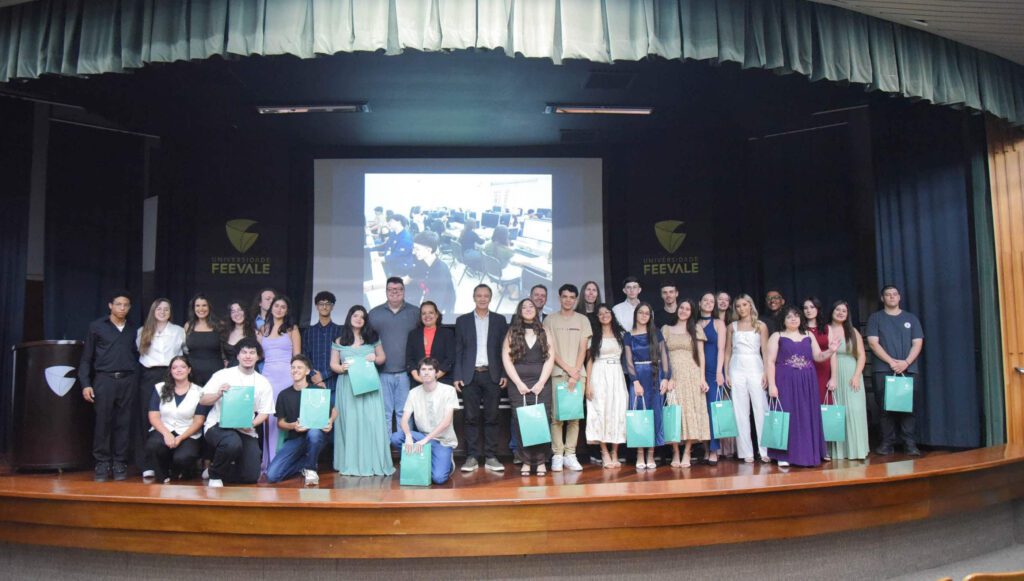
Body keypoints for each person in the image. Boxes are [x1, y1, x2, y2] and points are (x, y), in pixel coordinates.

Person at [765, 306, 839, 467]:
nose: (793, 319)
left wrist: (831, 351)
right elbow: (770, 362)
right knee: (787, 415)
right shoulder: (777, 336)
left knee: (807, 415)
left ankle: (808, 453)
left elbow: (819, 357)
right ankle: (783, 455)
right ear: (783, 320)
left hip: (807, 381)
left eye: (796, 316)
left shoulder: (809, 335)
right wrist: (772, 385)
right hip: (785, 380)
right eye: (789, 317)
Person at [199, 338, 275, 487]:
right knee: (232, 443)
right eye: (244, 352)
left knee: (251, 476)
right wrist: (218, 394)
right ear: (238, 356)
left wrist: (251, 424)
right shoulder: (222, 375)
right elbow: (202, 399)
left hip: (246, 429)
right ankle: (215, 475)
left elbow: (265, 412)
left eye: (252, 353)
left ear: (258, 356)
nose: (248, 356)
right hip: (218, 425)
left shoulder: (263, 382)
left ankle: (214, 468)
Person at [80, 290, 138, 482]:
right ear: (110, 305)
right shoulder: (97, 327)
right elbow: (86, 358)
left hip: (128, 379)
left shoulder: (133, 329)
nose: (122, 308)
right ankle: (102, 462)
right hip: (104, 379)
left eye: (126, 305)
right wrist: (86, 383)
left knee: (124, 422)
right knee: (103, 422)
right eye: (118, 304)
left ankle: (120, 461)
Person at [330, 305, 394, 476]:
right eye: (355, 315)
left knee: (370, 422)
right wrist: (341, 368)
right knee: (350, 423)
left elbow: (382, 358)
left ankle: (372, 461)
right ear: (349, 317)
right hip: (347, 386)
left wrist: (375, 358)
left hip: (369, 386)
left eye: (362, 316)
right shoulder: (339, 341)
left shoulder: (372, 338)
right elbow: (333, 365)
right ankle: (351, 462)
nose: (358, 319)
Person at [453, 284, 509, 473]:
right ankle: (472, 457)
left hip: (493, 375)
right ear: (474, 297)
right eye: (479, 295)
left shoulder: (500, 320)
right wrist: (458, 375)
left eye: (486, 295)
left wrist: (503, 373)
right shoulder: (463, 321)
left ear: (491, 298)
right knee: (470, 417)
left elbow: (504, 350)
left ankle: (491, 456)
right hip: (470, 376)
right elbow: (458, 350)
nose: (482, 298)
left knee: (492, 417)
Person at [866, 285, 924, 456]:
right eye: (887, 295)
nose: (891, 297)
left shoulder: (911, 318)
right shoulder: (875, 318)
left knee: (908, 409)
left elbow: (918, 343)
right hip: (884, 369)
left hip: (909, 369)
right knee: (885, 409)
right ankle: (887, 443)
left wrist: (906, 362)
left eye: (894, 294)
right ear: (882, 299)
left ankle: (909, 444)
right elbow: (873, 343)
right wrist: (891, 362)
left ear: (899, 297)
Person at [543, 284, 593, 472]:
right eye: (565, 296)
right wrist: (567, 369)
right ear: (559, 297)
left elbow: (583, 348)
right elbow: (549, 349)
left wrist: (576, 371)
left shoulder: (583, 320)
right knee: (556, 417)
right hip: (556, 373)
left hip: (578, 375)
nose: (568, 300)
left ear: (576, 299)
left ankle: (570, 454)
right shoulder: (549, 320)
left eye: (572, 297)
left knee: (574, 417)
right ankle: (557, 454)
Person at [503, 299, 555, 476]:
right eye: (524, 307)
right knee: (521, 422)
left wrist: (541, 382)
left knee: (542, 421)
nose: (527, 309)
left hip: (541, 383)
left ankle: (540, 461)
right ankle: (526, 460)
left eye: (530, 306)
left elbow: (550, 358)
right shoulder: (512, 332)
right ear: (519, 311)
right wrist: (518, 383)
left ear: (537, 310)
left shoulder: (544, 331)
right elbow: (507, 360)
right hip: (518, 385)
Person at [266, 355, 337, 485]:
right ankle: (305, 463)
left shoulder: (317, 390)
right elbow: (280, 423)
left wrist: (330, 421)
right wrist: (293, 426)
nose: (295, 370)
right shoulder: (284, 394)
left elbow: (334, 410)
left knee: (314, 433)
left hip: (316, 436)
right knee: (272, 475)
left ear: (307, 371)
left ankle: (311, 469)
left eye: (299, 367)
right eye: (293, 367)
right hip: (295, 438)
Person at [134, 298, 185, 476]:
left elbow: (183, 353)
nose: (162, 312)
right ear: (153, 311)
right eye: (159, 309)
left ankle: (169, 463)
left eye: (166, 309)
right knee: (147, 417)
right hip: (148, 376)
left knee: (169, 416)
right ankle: (147, 464)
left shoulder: (179, 331)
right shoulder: (142, 331)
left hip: (170, 375)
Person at [392, 357, 460, 484]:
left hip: (442, 441)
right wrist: (408, 436)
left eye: (430, 369)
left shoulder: (448, 390)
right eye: (423, 369)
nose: (426, 372)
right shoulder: (413, 393)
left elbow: (446, 422)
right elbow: (404, 419)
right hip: (421, 437)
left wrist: (426, 440)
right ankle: (419, 461)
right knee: (396, 438)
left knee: (438, 479)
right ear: (418, 373)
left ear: (436, 372)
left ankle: (445, 463)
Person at [367, 277, 420, 433]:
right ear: (386, 291)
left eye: (398, 289)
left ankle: (407, 454)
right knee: (385, 415)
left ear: (404, 291)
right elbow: (367, 341)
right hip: (382, 373)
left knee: (405, 414)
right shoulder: (374, 313)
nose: (395, 292)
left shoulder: (415, 313)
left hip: (406, 374)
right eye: (391, 289)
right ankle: (385, 455)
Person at [144, 355, 209, 483]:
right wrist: (166, 434)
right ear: (171, 371)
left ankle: (181, 471)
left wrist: (180, 437)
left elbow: (199, 421)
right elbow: (154, 416)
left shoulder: (199, 391)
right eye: (175, 368)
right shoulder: (160, 388)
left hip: (187, 433)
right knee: (153, 445)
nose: (178, 370)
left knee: (184, 457)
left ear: (189, 370)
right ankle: (163, 475)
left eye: (183, 367)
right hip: (164, 429)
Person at [723, 294, 770, 464]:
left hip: (756, 366)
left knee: (761, 408)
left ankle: (765, 450)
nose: (742, 309)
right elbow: (727, 351)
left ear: (751, 305)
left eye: (744, 305)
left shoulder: (761, 326)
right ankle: (746, 452)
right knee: (740, 411)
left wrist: (766, 373)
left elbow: (765, 351)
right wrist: (726, 373)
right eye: (738, 306)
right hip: (737, 367)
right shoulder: (732, 326)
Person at [625, 302, 671, 470]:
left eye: (647, 313)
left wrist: (666, 378)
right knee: (639, 414)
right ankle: (639, 454)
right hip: (638, 377)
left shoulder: (656, 332)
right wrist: (635, 381)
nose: (644, 315)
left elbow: (664, 356)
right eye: (641, 312)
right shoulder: (628, 335)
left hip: (655, 376)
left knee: (655, 413)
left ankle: (651, 454)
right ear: (636, 314)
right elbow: (629, 362)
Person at [663, 299, 710, 468]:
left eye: (687, 309)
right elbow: (663, 356)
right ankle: (675, 451)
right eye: (681, 308)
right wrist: (667, 377)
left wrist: (702, 378)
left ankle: (687, 452)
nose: (683, 311)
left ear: (691, 312)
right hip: (674, 378)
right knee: (674, 413)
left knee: (691, 413)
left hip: (692, 375)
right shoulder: (666, 330)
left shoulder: (696, 328)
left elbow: (701, 355)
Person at [257, 294, 302, 465]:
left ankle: (283, 459)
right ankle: (269, 460)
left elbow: (297, 356)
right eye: (277, 306)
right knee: (268, 416)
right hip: (267, 376)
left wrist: (297, 378)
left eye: (283, 307)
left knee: (285, 416)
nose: (279, 309)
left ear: (287, 310)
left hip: (286, 376)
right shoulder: (263, 330)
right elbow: (258, 355)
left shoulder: (292, 329)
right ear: (271, 308)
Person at [584, 304, 627, 469]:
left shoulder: (621, 334)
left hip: (616, 374)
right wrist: (588, 384)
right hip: (598, 374)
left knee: (618, 411)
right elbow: (589, 361)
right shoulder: (593, 336)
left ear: (612, 314)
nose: (604, 315)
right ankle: (604, 451)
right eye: (600, 313)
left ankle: (615, 451)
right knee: (600, 411)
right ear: (597, 317)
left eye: (607, 312)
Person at [829, 300, 869, 460]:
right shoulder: (826, 330)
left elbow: (861, 355)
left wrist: (857, 376)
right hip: (833, 373)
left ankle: (857, 450)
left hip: (851, 374)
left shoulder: (853, 331)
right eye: (837, 309)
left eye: (843, 311)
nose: (840, 312)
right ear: (832, 311)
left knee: (854, 411)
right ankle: (838, 452)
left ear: (847, 314)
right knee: (837, 413)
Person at [698, 293, 727, 464]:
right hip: (698, 372)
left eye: (711, 301)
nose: (708, 303)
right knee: (701, 410)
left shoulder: (718, 323)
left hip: (713, 372)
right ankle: (704, 446)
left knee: (713, 410)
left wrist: (719, 372)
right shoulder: (694, 323)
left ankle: (714, 449)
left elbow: (721, 349)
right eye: (705, 300)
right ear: (700, 303)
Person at [406, 231, 456, 316]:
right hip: (424, 297)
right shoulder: (421, 261)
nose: (413, 252)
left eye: (417, 249)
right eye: (414, 248)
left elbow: (437, 304)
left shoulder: (440, 271)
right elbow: (407, 279)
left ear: (429, 250)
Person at [406, 301, 455, 384]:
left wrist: (434, 376)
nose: (427, 316)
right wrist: (417, 377)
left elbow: (450, 358)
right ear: (420, 317)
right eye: (423, 313)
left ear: (437, 315)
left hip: (442, 379)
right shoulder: (413, 334)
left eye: (431, 312)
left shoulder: (448, 333)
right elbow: (409, 359)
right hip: (418, 380)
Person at [302, 291, 342, 392]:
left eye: (328, 304)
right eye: (321, 304)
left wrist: (323, 376)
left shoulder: (340, 331)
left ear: (332, 307)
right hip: (313, 384)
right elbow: (305, 358)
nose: (324, 307)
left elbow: (342, 358)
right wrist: (315, 377)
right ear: (316, 306)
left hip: (335, 384)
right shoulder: (308, 332)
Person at [184, 294, 224, 385]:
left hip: (215, 370)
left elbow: (225, 348)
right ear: (193, 308)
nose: (201, 309)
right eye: (197, 306)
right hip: (193, 372)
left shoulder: (220, 325)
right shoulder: (188, 325)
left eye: (204, 305)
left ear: (209, 307)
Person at [801, 296, 833, 404]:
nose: (808, 310)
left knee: (824, 402)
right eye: (805, 308)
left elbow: (833, 354)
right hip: (806, 369)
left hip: (824, 370)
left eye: (812, 307)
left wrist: (834, 377)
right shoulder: (799, 329)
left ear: (818, 309)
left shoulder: (827, 328)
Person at [482, 225, 523, 299]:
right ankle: (514, 295)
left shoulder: (487, 245)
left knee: (509, 267)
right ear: (505, 237)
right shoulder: (506, 250)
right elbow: (516, 262)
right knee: (521, 270)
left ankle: (504, 288)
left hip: (491, 273)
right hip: (501, 275)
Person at [223, 300, 256, 368]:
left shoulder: (255, 332)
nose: (237, 313)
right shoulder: (225, 333)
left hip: (250, 373)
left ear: (245, 312)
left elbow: (261, 355)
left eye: (240, 310)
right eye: (233, 311)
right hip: (230, 373)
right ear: (230, 315)